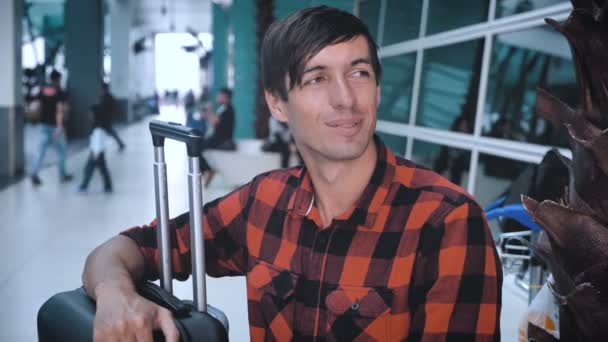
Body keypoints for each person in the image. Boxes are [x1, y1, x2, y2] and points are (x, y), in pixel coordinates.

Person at [83, 6, 502, 341]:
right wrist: (113, 291)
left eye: (359, 73)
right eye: (317, 78)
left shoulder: (447, 222)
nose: (345, 99)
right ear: (277, 103)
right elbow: (129, 249)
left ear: (377, 89)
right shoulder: (262, 203)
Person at [30, 70, 73, 186]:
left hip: (44, 125)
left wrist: (35, 118)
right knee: (62, 151)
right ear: (58, 79)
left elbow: (37, 105)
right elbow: (59, 110)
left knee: (40, 151)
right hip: (55, 127)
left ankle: (34, 173)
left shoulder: (43, 90)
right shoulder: (60, 92)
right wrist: (59, 126)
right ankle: (62, 175)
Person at [199, 87, 236, 187]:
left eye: (219, 95)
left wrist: (209, 110)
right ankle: (207, 169)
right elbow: (214, 121)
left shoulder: (228, 109)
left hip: (222, 140)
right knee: (199, 144)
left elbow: (215, 121)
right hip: (218, 138)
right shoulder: (223, 108)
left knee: (199, 146)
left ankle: (208, 170)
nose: (217, 97)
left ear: (225, 97)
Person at [77, 127, 113, 193]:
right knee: (103, 170)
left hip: (96, 153)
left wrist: (96, 154)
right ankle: (108, 187)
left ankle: (83, 187)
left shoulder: (97, 130)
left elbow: (97, 142)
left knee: (88, 170)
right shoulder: (100, 129)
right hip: (99, 152)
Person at [94, 82, 126, 151]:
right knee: (109, 132)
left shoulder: (107, 97)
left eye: (101, 89)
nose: (100, 90)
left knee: (107, 132)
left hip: (105, 119)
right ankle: (120, 143)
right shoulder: (106, 96)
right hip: (106, 119)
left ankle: (119, 143)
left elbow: (103, 108)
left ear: (104, 89)